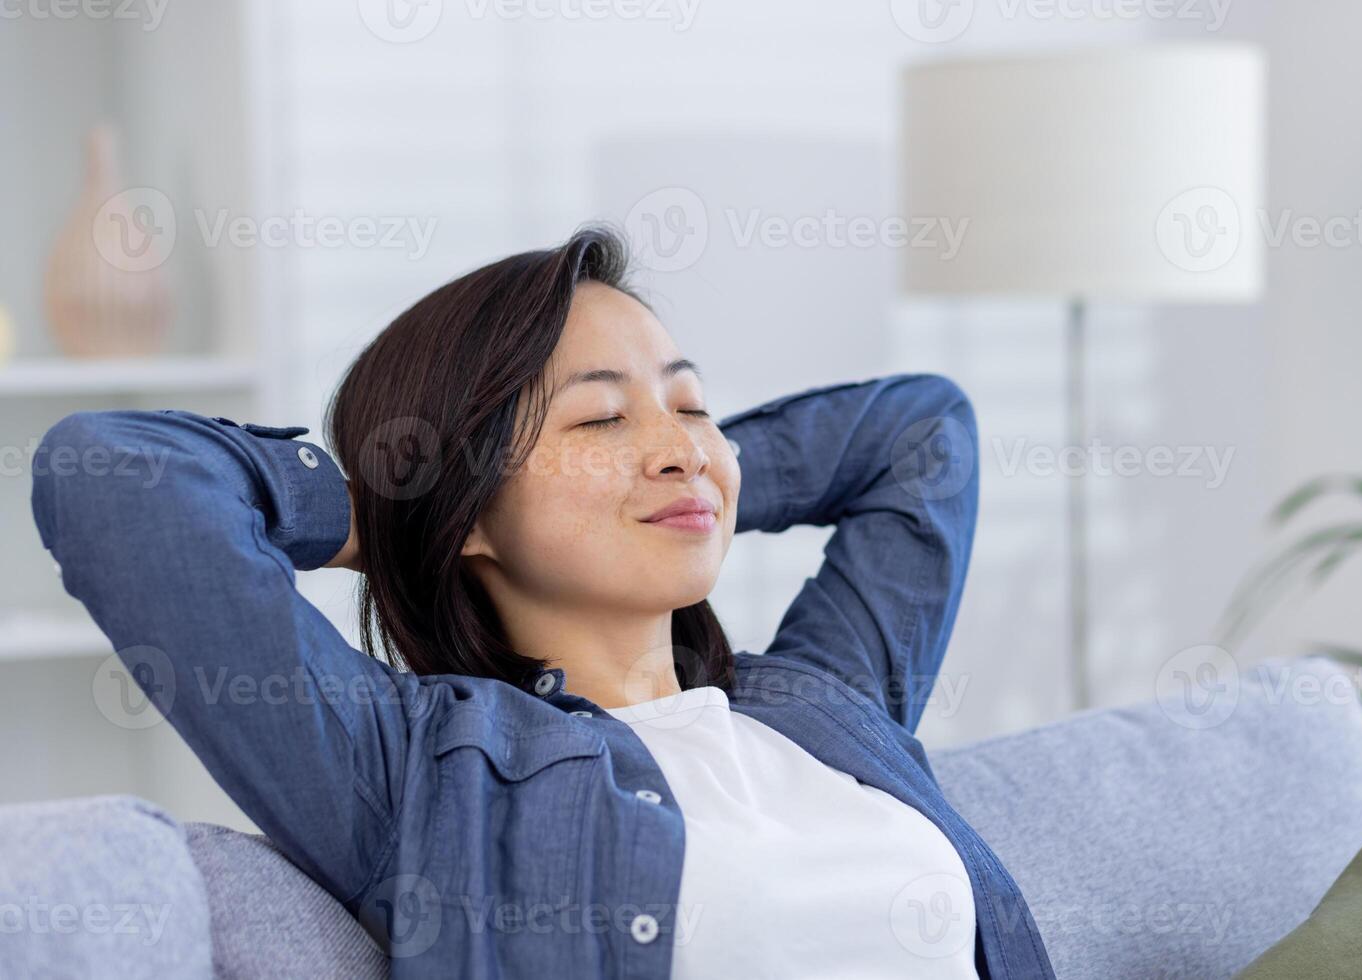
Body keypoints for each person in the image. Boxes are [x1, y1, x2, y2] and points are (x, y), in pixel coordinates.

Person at [30, 224, 1055, 979]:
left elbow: (924, 433)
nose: (680, 441)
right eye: (601, 417)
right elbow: (112, 472)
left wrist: (688, 481)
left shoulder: (823, 704)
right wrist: (393, 509)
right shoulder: (421, 774)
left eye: (692, 404)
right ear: (469, 509)